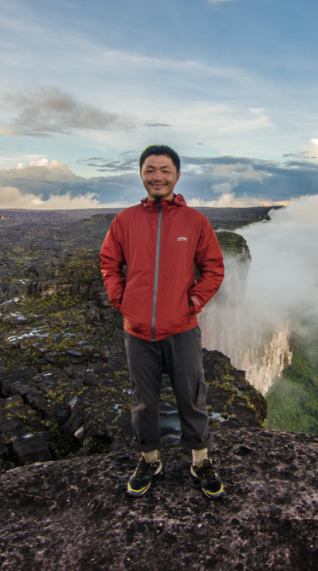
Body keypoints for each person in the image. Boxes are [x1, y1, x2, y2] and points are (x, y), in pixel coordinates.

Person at [99, 144, 226, 499]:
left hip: (182, 328)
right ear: (141, 175)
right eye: (150, 170)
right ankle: (150, 459)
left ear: (177, 175)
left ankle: (200, 460)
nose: (158, 177)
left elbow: (213, 268)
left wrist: (194, 301)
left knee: (191, 396)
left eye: (165, 170)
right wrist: (120, 300)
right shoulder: (124, 220)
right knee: (144, 401)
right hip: (138, 332)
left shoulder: (195, 222)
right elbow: (109, 263)